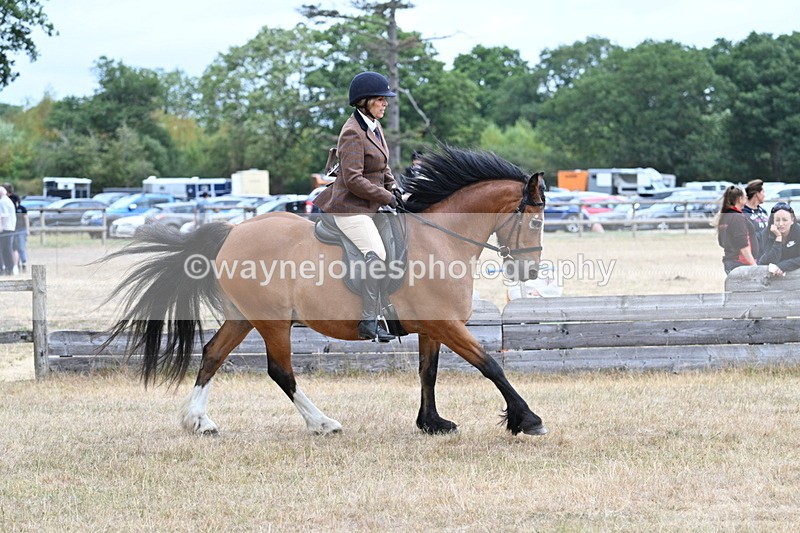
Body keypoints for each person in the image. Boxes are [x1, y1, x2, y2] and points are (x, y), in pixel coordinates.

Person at [313, 71, 399, 342]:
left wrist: (396, 189)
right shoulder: (352, 132)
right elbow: (353, 179)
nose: (385, 103)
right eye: (380, 99)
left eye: (385, 99)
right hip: (350, 209)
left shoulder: (373, 126)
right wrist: (386, 197)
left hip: (370, 207)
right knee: (377, 255)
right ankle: (369, 321)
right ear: (364, 101)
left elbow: (382, 168)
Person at [716, 185, 758, 274]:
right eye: (745, 197)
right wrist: (753, 265)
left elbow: (721, 241)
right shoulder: (737, 218)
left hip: (731, 262)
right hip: (741, 264)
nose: (747, 199)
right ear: (739, 199)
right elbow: (743, 244)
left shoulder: (725, 216)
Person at [758, 202, 800, 276]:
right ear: (772, 221)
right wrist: (778, 238)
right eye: (777, 220)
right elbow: (771, 260)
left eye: (785, 220)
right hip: (771, 277)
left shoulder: (798, 231)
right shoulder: (766, 233)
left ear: (792, 220)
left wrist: (783, 266)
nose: (781, 224)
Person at [743, 179, 769, 250]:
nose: (764, 195)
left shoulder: (763, 212)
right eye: (763, 192)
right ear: (757, 193)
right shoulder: (743, 213)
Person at [0, 186, 17, 275]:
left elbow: (3, 215)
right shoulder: (7, 201)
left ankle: (5, 269)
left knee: (4, 249)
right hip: (9, 228)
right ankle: (9, 268)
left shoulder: (2, 202)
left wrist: (1, 226)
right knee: (7, 249)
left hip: (5, 229)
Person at [11, 193, 29, 273]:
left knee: (21, 247)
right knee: (14, 248)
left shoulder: (22, 209)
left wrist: (27, 229)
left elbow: (26, 219)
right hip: (13, 230)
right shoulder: (11, 209)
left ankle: (24, 262)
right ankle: (16, 264)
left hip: (21, 229)